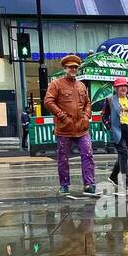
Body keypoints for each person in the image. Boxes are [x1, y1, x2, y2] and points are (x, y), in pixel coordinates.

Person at [43, 54, 95, 196]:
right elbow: (48, 101)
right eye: (70, 67)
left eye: (75, 67)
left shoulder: (81, 85)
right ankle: (64, 185)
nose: (73, 69)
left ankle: (89, 184)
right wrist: (62, 117)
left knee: (88, 155)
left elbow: (88, 103)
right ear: (65, 68)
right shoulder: (56, 84)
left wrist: (86, 116)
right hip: (64, 129)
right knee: (63, 158)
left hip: (82, 128)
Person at [102, 76, 128, 186]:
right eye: (120, 86)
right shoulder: (110, 100)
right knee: (123, 153)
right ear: (115, 88)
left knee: (124, 155)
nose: (123, 88)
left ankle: (113, 176)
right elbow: (104, 116)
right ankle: (125, 181)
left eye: (125, 86)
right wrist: (110, 128)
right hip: (118, 130)